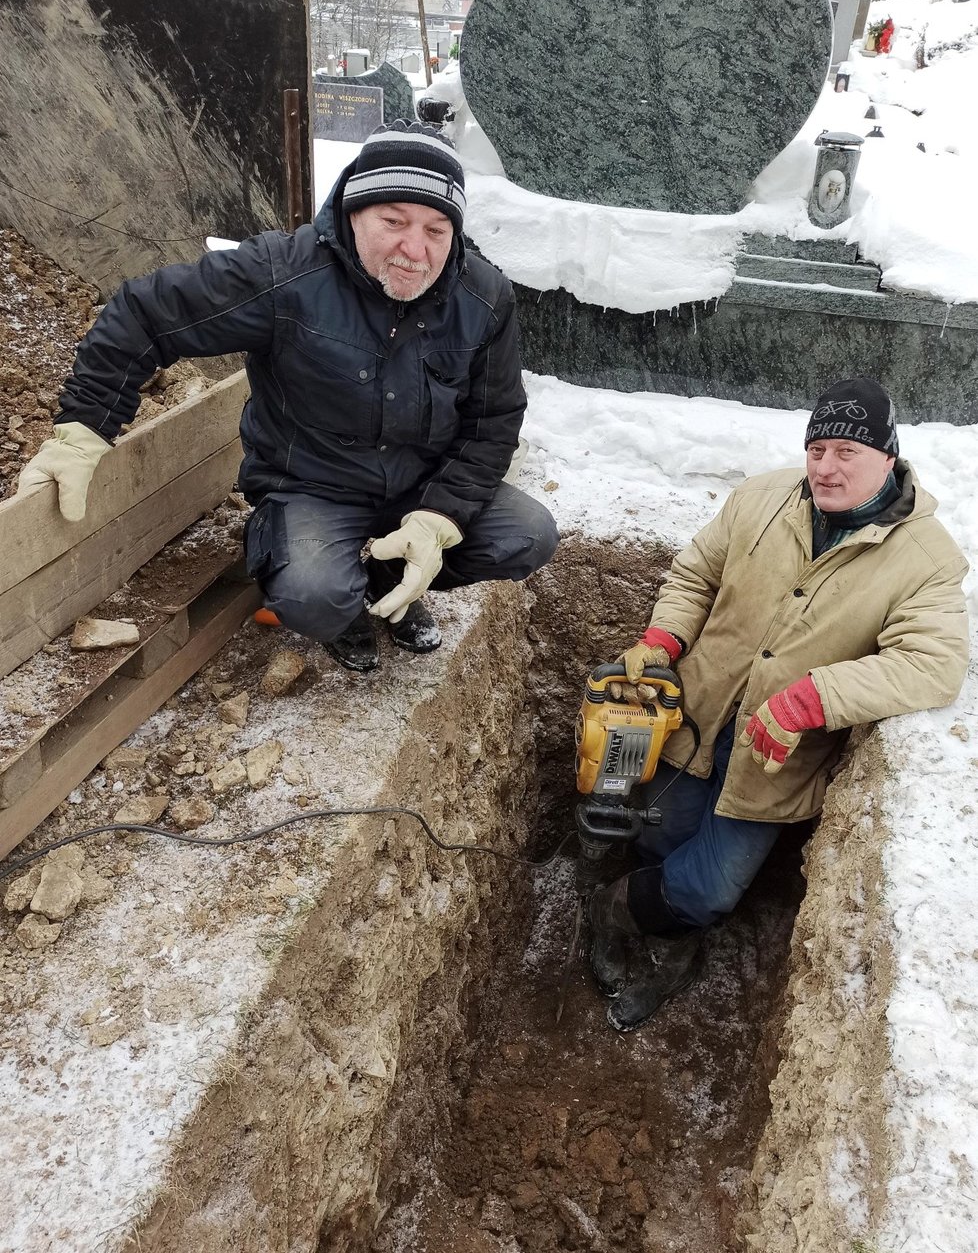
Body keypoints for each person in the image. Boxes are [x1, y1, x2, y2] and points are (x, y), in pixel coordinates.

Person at [18, 121, 559, 672]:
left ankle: (386, 578)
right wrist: (84, 428)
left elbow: (493, 419)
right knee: (313, 595)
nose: (415, 249)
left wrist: (439, 515)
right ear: (353, 211)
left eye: (436, 229)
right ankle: (331, 599)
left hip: (421, 484)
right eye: (393, 221)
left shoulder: (483, 296)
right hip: (313, 488)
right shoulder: (285, 275)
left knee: (526, 535)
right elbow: (145, 314)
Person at [589, 378, 968, 1033]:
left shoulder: (926, 557)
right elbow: (695, 574)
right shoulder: (760, 498)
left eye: (847, 450)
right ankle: (669, 943)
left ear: (889, 455)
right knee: (657, 835)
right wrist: (661, 639)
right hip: (697, 716)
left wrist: (814, 695)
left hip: (774, 759)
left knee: (708, 888)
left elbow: (934, 663)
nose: (825, 465)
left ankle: (612, 911)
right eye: (816, 447)